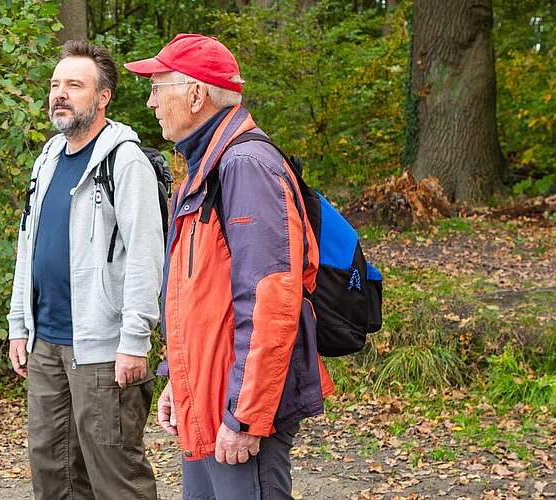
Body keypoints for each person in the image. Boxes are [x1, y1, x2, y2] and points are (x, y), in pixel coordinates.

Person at [125, 34, 334, 499]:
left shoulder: (245, 166)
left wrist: (246, 415)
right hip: (206, 399)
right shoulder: (205, 168)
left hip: (235, 413)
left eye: (159, 87)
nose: (151, 101)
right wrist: (178, 380)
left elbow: (271, 302)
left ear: (197, 94)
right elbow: (202, 300)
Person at [5, 39, 165, 500]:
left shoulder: (125, 160)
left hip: (103, 351)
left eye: (74, 85)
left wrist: (135, 340)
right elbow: (27, 247)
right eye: (56, 84)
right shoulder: (47, 159)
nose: (60, 94)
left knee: (116, 478)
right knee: (53, 476)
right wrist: (20, 325)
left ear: (102, 97)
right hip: (46, 346)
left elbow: (145, 256)